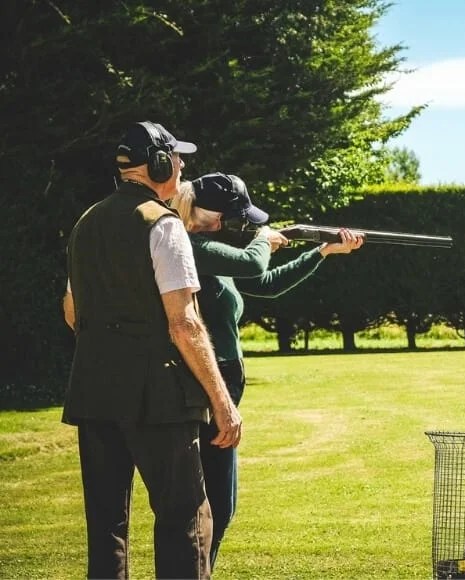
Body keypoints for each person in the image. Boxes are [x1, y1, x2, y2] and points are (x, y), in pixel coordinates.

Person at [62, 122, 242, 579]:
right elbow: (185, 325)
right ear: (160, 164)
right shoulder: (163, 224)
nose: (182, 167)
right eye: (177, 158)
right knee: (186, 516)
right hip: (158, 396)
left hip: (93, 391)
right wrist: (223, 405)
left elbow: (71, 311)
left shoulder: (87, 223)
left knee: (107, 527)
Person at [170, 172, 363, 567]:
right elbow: (252, 259)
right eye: (231, 218)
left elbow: (266, 281)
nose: (237, 225)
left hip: (220, 385)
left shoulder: (211, 250)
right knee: (215, 505)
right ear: (210, 214)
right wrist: (265, 239)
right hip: (204, 387)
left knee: (221, 503)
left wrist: (321, 251)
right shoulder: (190, 246)